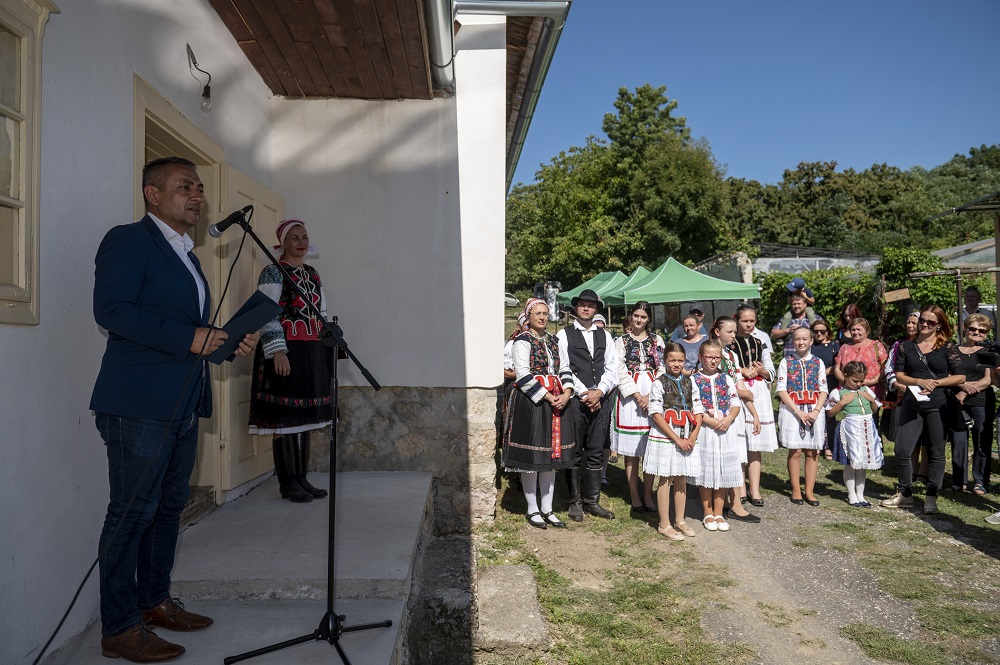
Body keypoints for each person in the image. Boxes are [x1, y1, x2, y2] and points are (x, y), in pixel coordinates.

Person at [91, 157, 258, 662]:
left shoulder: (186, 253)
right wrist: (193, 336)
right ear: (152, 194)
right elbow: (112, 311)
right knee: (130, 513)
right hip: (138, 404)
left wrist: (226, 342)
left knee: (167, 510)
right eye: (185, 186)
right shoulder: (129, 240)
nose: (198, 195)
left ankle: (154, 602)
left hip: (182, 403)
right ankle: (119, 626)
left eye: (200, 188)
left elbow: (182, 328)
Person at [248, 220, 333, 504]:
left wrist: (324, 346)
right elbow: (266, 313)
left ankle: (301, 479)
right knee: (284, 419)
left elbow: (320, 311)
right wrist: (277, 351)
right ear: (283, 243)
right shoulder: (272, 272)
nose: (301, 242)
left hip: (310, 350)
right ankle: (288, 483)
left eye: (304, 237)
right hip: (285, 350)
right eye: (294, 237)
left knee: (305, 418)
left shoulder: (312, 273)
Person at [503, 298, 579, 528]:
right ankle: (532, 508)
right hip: (533, 402)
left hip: (558, 400)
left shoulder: (555, 341)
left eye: (545, 313)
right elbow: (523, 375)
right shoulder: (521, 341)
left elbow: (564, 369)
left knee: (551, 456)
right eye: (538, 313)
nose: (543, 317)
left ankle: (548, 508)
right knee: (534, 455)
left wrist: (566, 393)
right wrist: (548, 396)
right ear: (529, 316)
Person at [882, 305, 966, 514]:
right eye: (923, 321)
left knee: (936, 452)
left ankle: (931, 497)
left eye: (931, 322)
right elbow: (899, 375)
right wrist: (919, 380)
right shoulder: (906, 347)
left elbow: (961, 377)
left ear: (939, 325)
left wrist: (936, 383)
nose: (925, 325)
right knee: (902, 449)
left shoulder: (946, 347)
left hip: (939, 405)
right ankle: (905, 494)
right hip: (912, 403)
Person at [556, 289, 618, 520]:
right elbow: (564, 366)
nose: (586, 308)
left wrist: (600, 391)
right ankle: (575, 501)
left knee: (595, 449)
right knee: (574, 450)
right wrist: (585, 393)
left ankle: (592, 501)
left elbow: (613, 367)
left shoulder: (606, 336)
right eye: (582, 304)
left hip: (600, 399)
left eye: (590, 306)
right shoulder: (564, 335)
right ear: (576, 308)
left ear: (596, 310)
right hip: (576, 400)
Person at [610, 301, 665, 512]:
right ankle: (634, 494)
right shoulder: (621, 341)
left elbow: (661, 366)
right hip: (630, 396)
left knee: (650, 446)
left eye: (643, 316)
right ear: (631, 317)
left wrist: (651, 393)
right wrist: (636, 394)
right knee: (632, 451)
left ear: (648, 319)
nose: (638, 320)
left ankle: (647, 493)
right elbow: (619, 369)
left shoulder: (656, 340)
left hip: (653, 389)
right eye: (635, 316)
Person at [645, 343, 702, 540]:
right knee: (665, 478)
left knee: (681, 477)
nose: (676, 364)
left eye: (680, 360)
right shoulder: (658, 383)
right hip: (667, 435)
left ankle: (680, 519)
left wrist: (692, 436)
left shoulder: (690, 382)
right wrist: (676, 439)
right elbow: (656, 414)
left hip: (686, 433)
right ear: (665, 361)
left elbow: (698, 409)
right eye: (672, 360)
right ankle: (664, 523)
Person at [712, 316, 761, 523]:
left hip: (736, 410)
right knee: (726, 457)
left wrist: (754, 412)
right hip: (720, 411)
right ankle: (728, 504)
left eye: (734, 332)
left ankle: (733, 503)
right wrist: (744, 394)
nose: (734, 335)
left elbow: (740, 384)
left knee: (735, 456)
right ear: (717, 332)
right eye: (730, 332)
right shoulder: (712, 354)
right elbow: (719, 385)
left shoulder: (731, 356)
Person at [694, 340, 744, 532]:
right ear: (701, 358)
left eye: (717, 357)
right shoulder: (694, 379)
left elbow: (735, 402)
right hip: (706, 429)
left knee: (722, 470)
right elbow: (695, 405)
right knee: (707, 470)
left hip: (725, 429)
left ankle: (718, 511)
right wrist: (710, 421)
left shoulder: (727, 379)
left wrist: (729, 418)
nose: (713, 361)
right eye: (709, 357)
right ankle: (707, 511)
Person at [776, 326, 829, 506]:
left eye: (805, 339)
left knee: (812, 451)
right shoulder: (786, 362)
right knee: (796, 450)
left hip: (814, 409)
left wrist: (815, 411)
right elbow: (782, 390)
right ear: (793, 341)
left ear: (811, 341)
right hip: (793, 410)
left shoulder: (818, 362)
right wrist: (798, 411)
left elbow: (823, 390)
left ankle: (810, 491)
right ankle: (796, 489)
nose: (801, 342)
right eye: (797, 339)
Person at [732, 304, 778, 506]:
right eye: (744, 321)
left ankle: (755, 488)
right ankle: (740, 486)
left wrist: (761, 372)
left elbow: (771, 372)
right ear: (737, 320)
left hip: (758, 391)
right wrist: (743, 371)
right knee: (740, 439)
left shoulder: (761, 342)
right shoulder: (730, 344)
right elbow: (727, 367)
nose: (749, 324)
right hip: (739, 389)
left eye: (752, 321)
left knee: (755, 443)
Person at [826, 361, 883, 507]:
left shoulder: (866, 391)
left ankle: (861, 495)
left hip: (867, 428)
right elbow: (831, 413)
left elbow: (875, 410)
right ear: (845, 376)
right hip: (851, 430)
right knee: (852, 463)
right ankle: (851, 495)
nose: (858, 384)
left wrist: (872, 401)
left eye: (861, 381)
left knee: (862, 464)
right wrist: (841, 403)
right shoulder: (838, 393)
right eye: (855, 381)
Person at [951, 313, 995, 495]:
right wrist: (960, 386)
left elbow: (987, 380)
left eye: (981, 331)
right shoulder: (953, 350)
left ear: (986, 334)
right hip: (957, 402)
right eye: (973, 328)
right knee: (958, 441)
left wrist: (964, 391)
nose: (976, 333)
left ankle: (980, 481)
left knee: (981, 441)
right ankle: (959, 480)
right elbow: (948, 374)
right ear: (965, 328)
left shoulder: (987, 352)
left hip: (981, 402)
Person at [833, 317, 888, 406]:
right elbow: (837, 369)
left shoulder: (876, 346)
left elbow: (885, 367)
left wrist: (873, 381)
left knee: (871, 417)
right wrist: (847, 382)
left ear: (867, 331)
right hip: (848, 392)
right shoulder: (844, 347)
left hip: (871, 390)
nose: (855, 332)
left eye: (859, 329)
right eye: (853, 330)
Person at [809, 319, 840, 459]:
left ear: (828, 331)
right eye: (815, 332)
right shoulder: (810, 346)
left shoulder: (835, 345)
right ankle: (815, 443)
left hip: (829, 383)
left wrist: (823, 372)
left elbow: (837, 365)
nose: (819, 334)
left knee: (829, 416)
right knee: (814, 413)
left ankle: (829, 446)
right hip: (812, 384)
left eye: (822, 331)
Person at [771, 293, 819, 357]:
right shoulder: (787, 319)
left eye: (799, 304)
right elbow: (773, 333)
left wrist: (802, 329)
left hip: (810, 357)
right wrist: (787, 330)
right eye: (794, 304)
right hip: (790, 356)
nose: (796, 306)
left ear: (805, 304)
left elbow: (823, 333)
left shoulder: (815, 318)